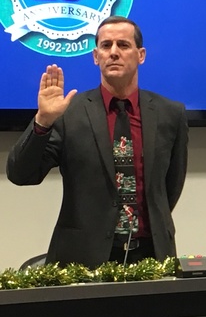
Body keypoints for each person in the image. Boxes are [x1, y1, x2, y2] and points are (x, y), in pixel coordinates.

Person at [6, 16, 188, 267]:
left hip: (152, 255)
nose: (113, 52)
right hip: (82, 258)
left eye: (123, 45)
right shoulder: (69, 113)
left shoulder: (171, 113)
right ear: (95, 56)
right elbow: (21, 174)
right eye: (106, 46)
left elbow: (170, 187)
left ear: (141, 54)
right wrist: (43, 121)